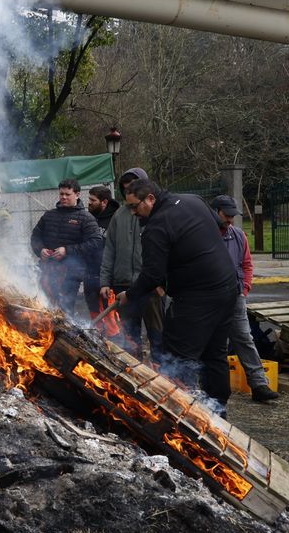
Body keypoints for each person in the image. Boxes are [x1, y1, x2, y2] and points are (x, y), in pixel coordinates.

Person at [119, 180, 239, 407]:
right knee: (215, 354)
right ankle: (218, 410)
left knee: (175, 356)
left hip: (197, 296)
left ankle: (179, 412)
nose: (134, 213)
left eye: (135, 207)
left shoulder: (155, 227)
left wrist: (129, 295)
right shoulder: (193, 200)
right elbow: (217, 225)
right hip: (227, 288)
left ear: (151, 198)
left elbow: (152, 275)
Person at [210, 195, 280, 403]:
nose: (230, 220)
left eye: (233, 216)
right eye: (227, 215)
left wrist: (245, 289)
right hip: (210, 298)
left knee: (244, 339)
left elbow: (247, 265)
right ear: (214, 211)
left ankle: (259, 385)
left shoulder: (238, 236)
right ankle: (215, 387)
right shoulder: (204, 236)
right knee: (214, 343)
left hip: (235, 296)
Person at [100, 168, 164, 356]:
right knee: (129, 338)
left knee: (158, 336)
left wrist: (162, 284)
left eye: (133, 188)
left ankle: (162, 374)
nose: (129, 193)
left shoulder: (155, 213)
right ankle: (133, 374)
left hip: (151, 287)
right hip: (123, 286)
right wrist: (105, 281)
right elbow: (109, 249)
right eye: (126, 189)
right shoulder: (119, 216)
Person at [30, 178, 103, 316]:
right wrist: (40, 250)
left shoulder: (86, 218)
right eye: (61, 194)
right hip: (47, 269)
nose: (63, 197)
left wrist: (67, 250)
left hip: (70, 273)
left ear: (77, 194)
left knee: (64, 309)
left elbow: (95, 242)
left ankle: (63, 335)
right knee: (43, 307)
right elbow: (35, 237)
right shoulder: (49, 215)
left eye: (67, 194)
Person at [84, 186, 120, 317]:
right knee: (94, 314)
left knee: (110, 316)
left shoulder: (116, 219)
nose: (89, 202)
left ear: (104, 202)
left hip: (107, 278)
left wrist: (109, 279)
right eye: (89, 199)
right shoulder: (88, 219)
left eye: (93, 200)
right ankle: (97, 337)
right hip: (89, 276)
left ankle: (115, 338)